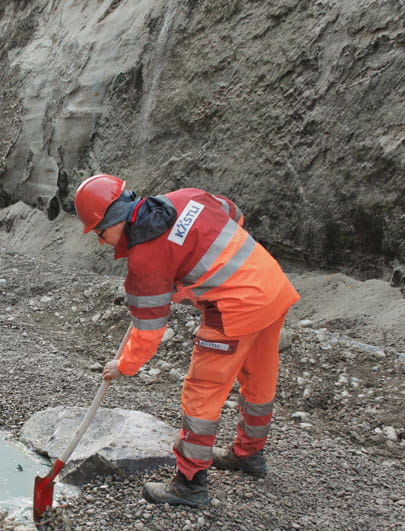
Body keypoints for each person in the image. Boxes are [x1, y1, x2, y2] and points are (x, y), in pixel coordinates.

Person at [74, 174, 299, 507]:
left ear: (114, 219)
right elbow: (234, 214)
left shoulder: (145, 260)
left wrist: (124, 365)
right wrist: (189, 256)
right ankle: (248, 455)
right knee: (258, 379)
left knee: (202, 394)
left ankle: (190, 484)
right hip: (272, 287)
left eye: (99, 232)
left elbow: (149, 331)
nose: (102, 242)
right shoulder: (184, 197)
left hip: (233, 310)